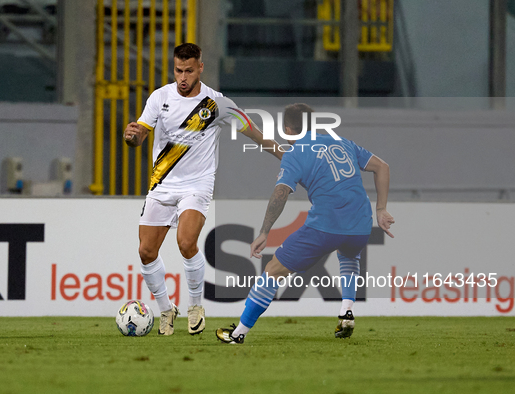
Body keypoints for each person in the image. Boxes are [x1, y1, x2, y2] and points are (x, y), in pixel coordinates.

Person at [123, 43, 282, 336]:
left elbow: (255, 133)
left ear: (200, 68)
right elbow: (141, 135)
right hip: (162, 183)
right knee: (146, 251)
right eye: (178, 71)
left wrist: (286, 156)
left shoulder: (217, 104)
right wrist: (131, 137)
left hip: (197, 184)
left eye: (188, 71)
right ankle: (166, 310)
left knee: (186, 242)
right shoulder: (160, 97)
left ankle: (195, 306)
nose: (182, 77)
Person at [216, 103, 395, 343]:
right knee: (349, 255)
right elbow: (382, 167)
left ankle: (238, 334)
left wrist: (264, 231)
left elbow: (280, 193)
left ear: (288, 129)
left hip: (325, 226)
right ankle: (347, 310)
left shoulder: (295, 154)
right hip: (362, 225)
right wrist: (381, 208)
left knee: (272, 271)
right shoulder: (343, 142)